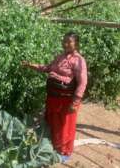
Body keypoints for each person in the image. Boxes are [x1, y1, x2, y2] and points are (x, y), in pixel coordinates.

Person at [22, 32, 87, 164]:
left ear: (76, 43)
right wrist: (31, 65)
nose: (66, 44)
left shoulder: (79, 60)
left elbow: (82, 82)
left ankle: (64, 152)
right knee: (52, 123)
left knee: (65, 126)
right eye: (64, 41)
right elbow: (47, 68)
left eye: (69, 41)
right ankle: (52, 146)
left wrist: (76, 101)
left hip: (67, 100)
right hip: (53, 98)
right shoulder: (60, 57)